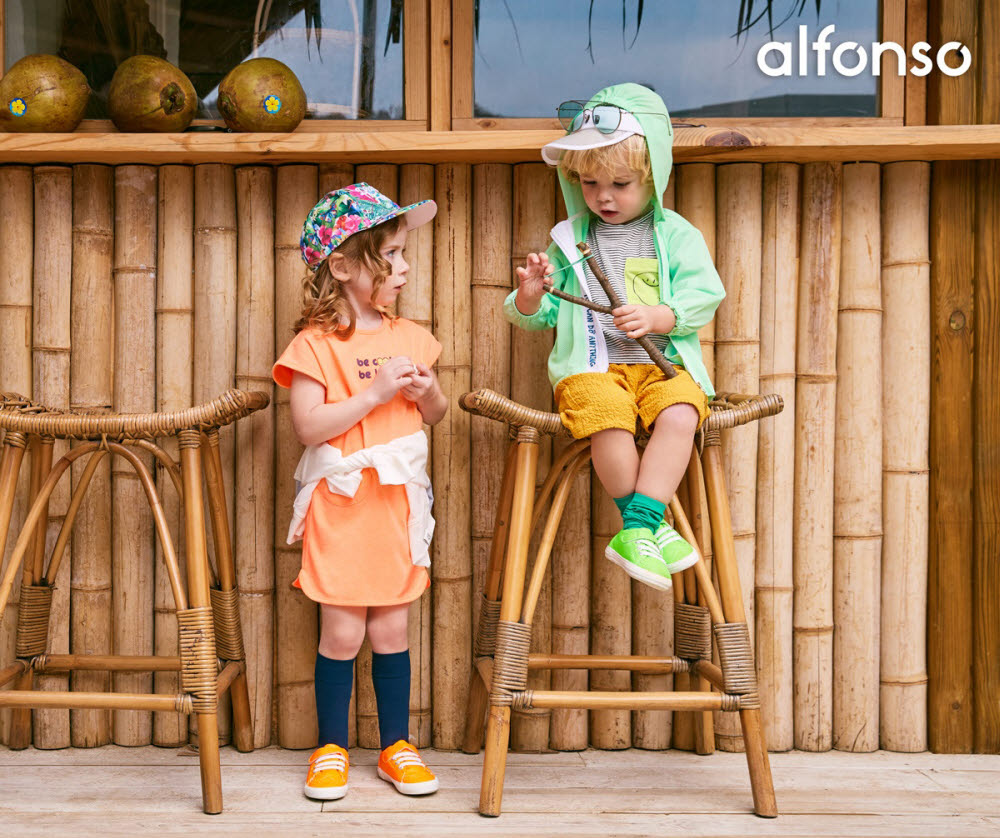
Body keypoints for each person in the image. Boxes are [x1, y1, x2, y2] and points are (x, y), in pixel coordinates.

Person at [506, 83, 725, 592]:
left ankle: (638, 525)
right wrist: (531, 295)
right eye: (589, 183)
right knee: (606, 417)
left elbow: (704, 294)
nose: (603, 196)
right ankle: (647, 525)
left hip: (660, 367)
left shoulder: (675, 237)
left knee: (681, 412)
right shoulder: (570, 242)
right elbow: (533, 319)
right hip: (594, 371)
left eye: (621, 183)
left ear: (654, 176)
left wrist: (660, 316)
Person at [273, 183, 447, 801]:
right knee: (342, 634)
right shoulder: (314, 346)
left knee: (391, 632)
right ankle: (331, 748)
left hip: (396, 506)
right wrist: (373, 395)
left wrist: (426, 393)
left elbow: (436, 413)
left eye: (403, 254)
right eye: (390, 256)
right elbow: (309, 427)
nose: (403, 267)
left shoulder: (414, 336)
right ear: (342, 267)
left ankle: (396, 746)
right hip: (342, 504)